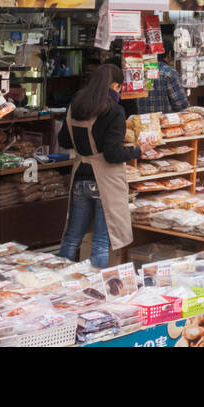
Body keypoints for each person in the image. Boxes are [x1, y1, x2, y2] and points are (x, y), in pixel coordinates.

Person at [57, 63, 141, 267]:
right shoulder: (114, 110)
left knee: (72, 238)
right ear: (114, 86)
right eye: (120, 87)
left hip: (80, 178)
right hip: (105, 181)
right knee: (101, 242)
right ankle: (96, 291)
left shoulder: (75, 105)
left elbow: (64, 141)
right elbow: (113, 153)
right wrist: (138, 150)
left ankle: (57, 279)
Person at [134, 50, 191, 115]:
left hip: (143, 122)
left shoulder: (138, 72)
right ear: (169, 54)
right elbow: (181, 104)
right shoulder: (169, 73)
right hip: (165, 122)